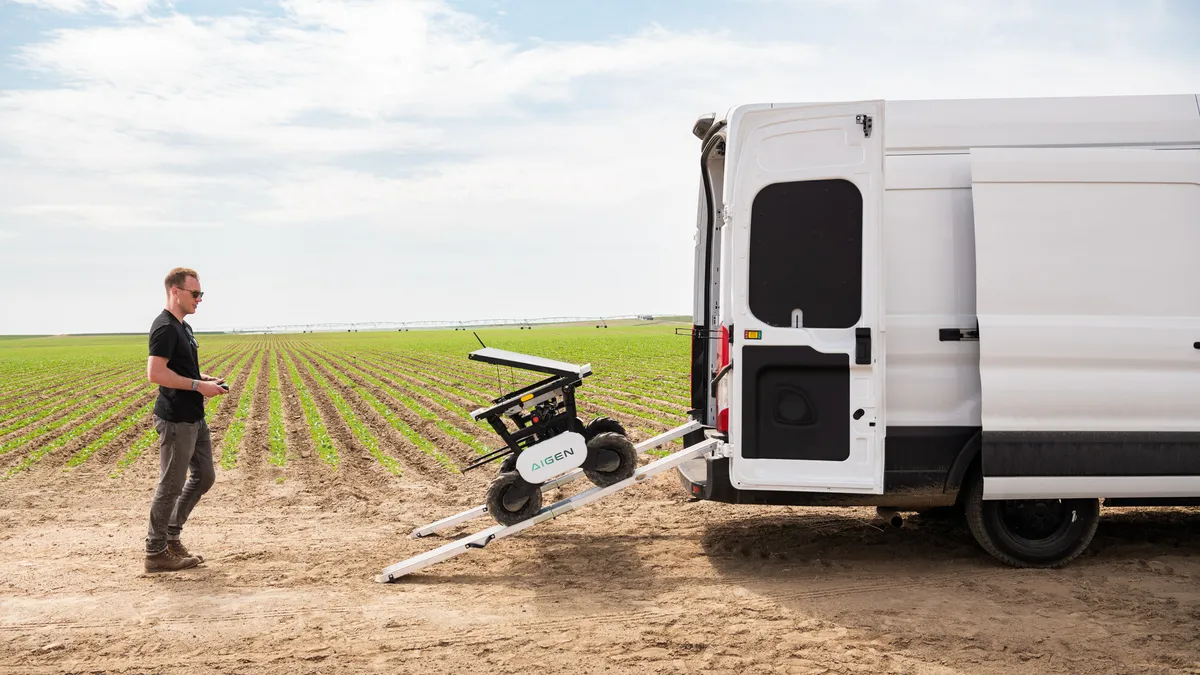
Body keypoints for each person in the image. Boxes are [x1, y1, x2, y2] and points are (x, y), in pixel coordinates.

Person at [143, 267, 228, 573]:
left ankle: (171, 535)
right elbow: (156, 373)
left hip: (194, 416)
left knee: (204, 476)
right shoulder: (164, 327)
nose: (199, 300)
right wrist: (197, 386)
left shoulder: (184, 327)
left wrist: (204, 379)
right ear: (175, 292)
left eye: (201, 294)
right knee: (171, 483)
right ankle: (156, 551)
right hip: (176, 418)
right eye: (195, 294)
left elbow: (180, 369)